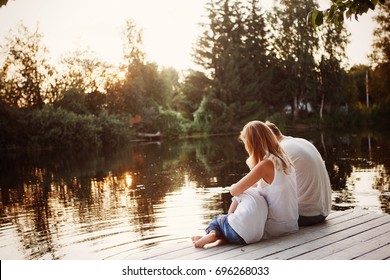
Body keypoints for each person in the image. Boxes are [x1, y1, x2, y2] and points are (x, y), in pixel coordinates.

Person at [192, 121, 298, 248]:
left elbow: (234, 191)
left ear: (252, 144)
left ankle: (219, 229)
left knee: (242, 193)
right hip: (291, 225)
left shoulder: (265, 164)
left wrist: (234, 186)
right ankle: (222, 234)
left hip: (274, 228)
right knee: (250, 193)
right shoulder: (284, 160)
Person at [265, 121, 332, 226]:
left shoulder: (281, 151)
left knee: (258, 203)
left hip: (306, 215)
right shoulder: (302, 141)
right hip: (324, 211)